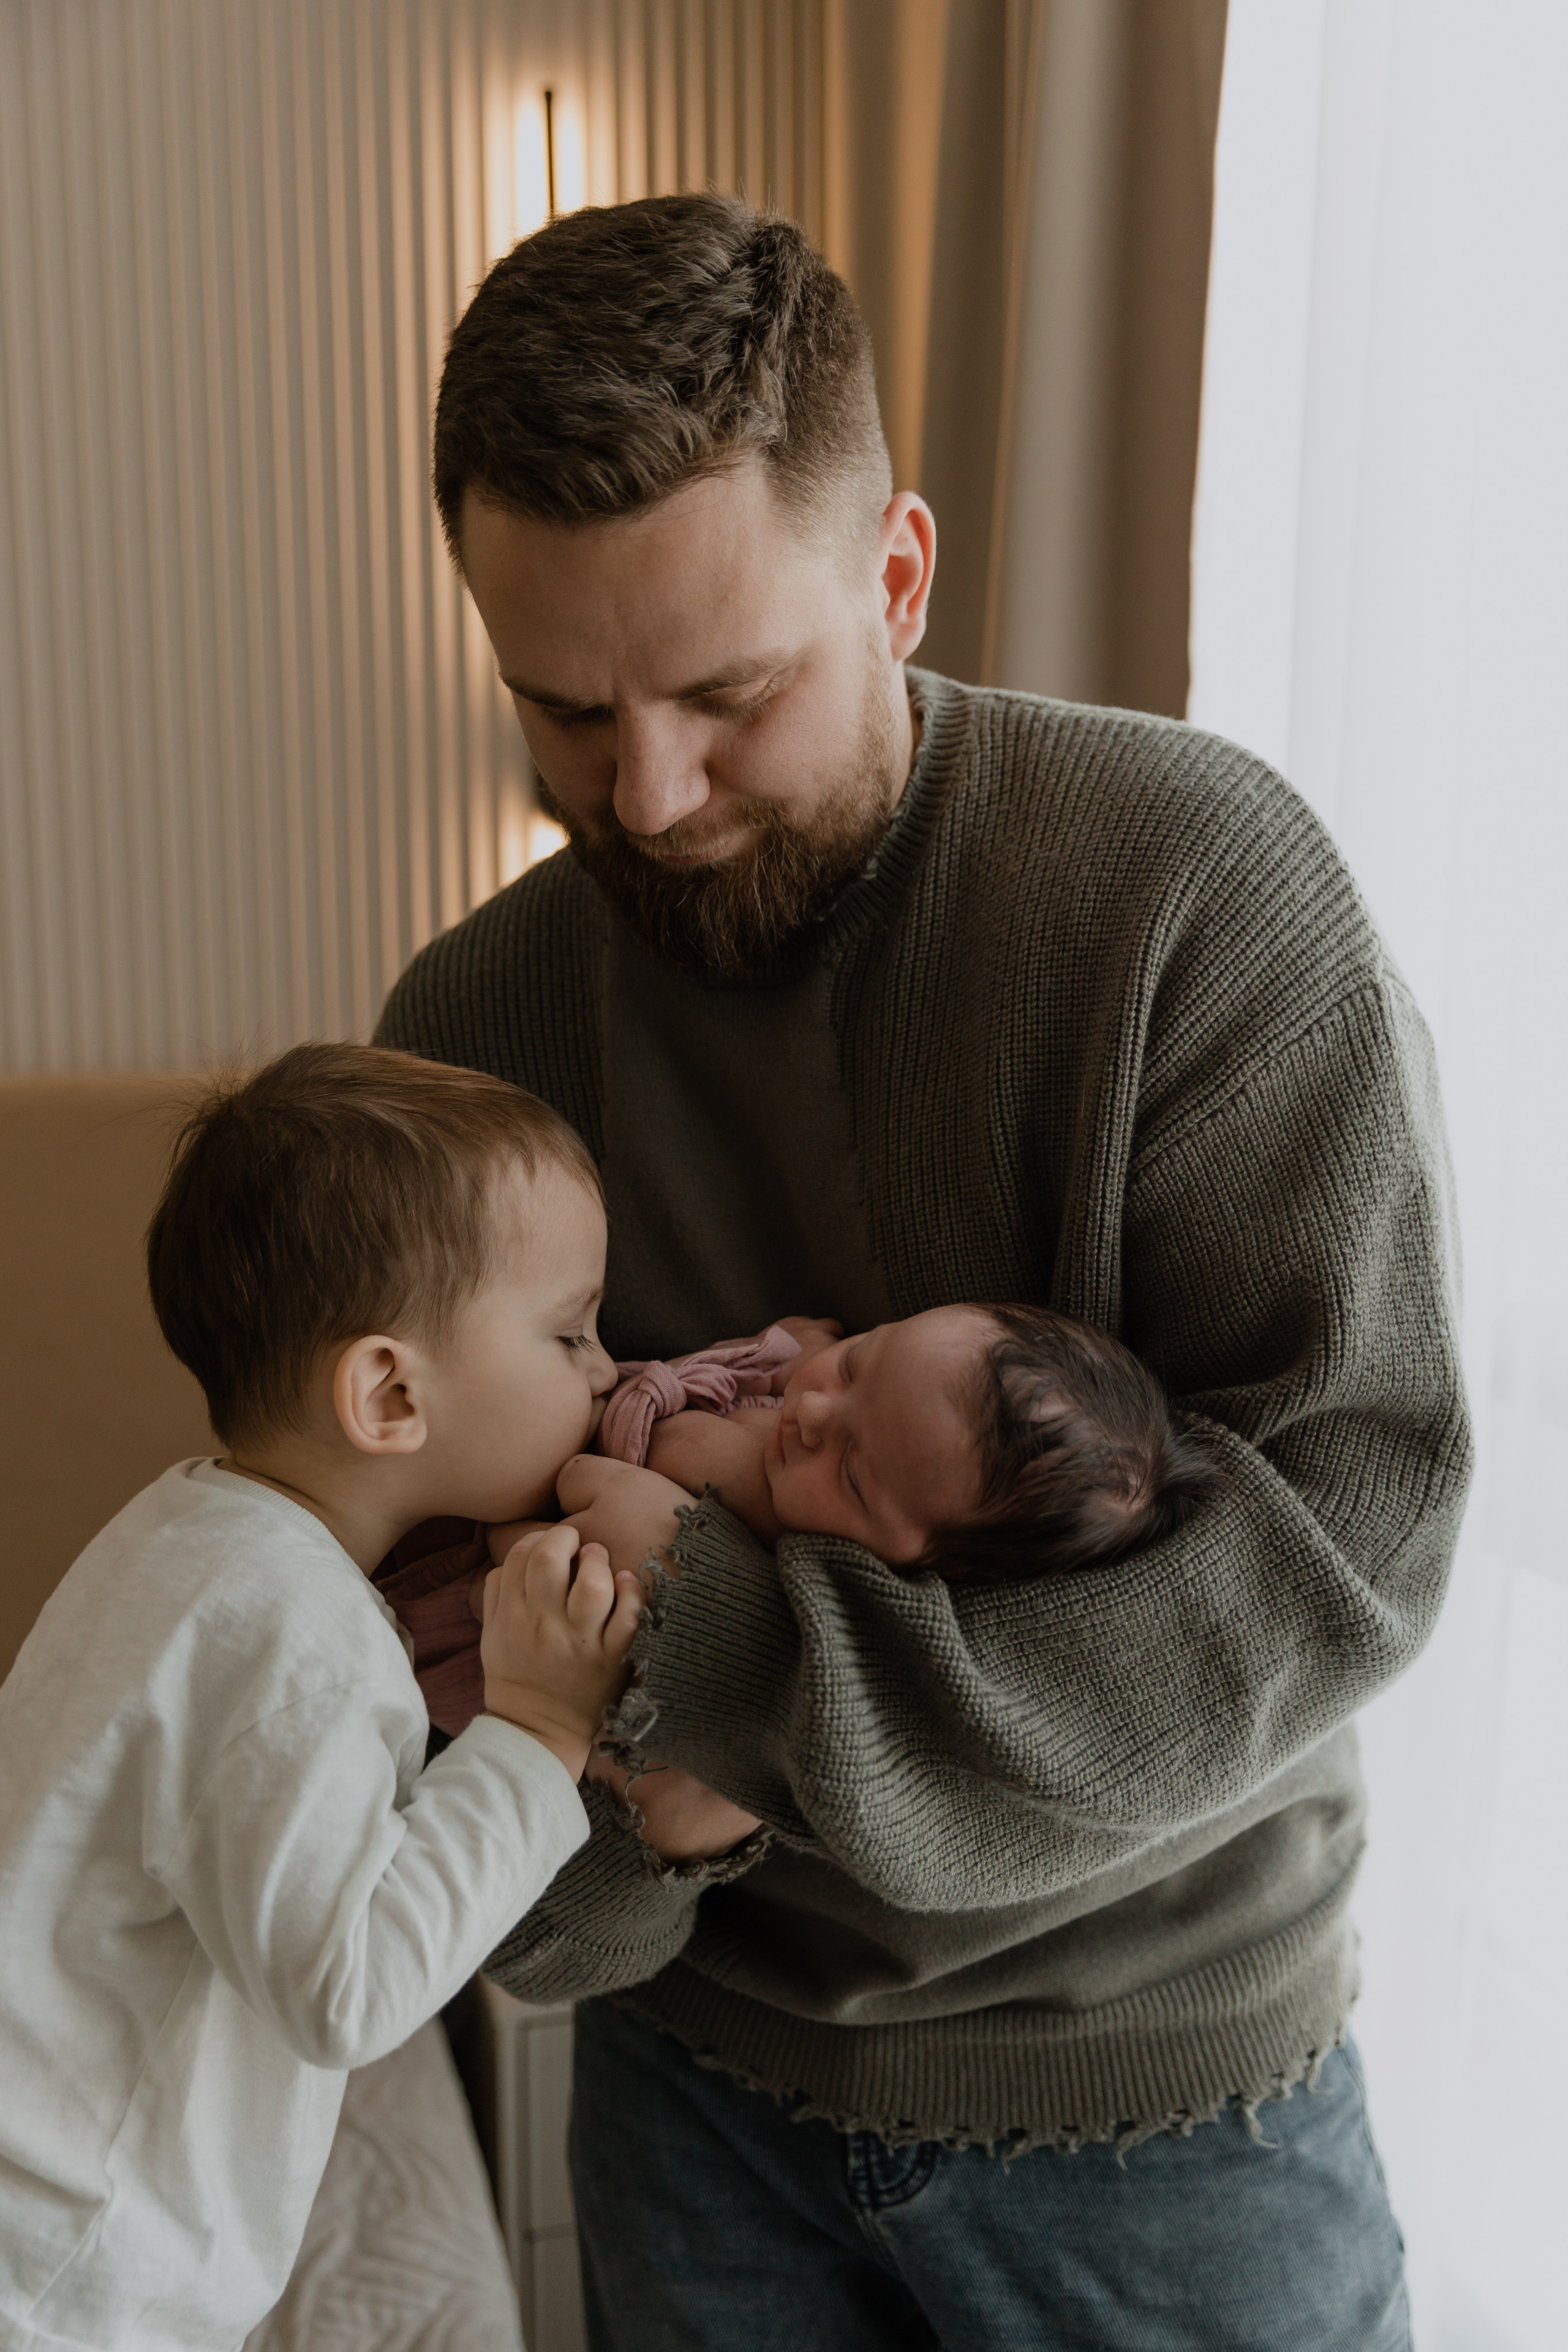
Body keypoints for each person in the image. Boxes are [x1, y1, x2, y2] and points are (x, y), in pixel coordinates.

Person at [375, 193, 1472, 2350]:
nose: (648, 794)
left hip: (1165, 2107)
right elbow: (422, 1654)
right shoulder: (467, 1030)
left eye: (728, 694)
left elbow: (1346, 1530)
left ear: (897, 577)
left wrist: (728, 1676)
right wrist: (628, 1852)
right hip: (689, 2104)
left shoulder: (1195, 886)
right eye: (563, 713)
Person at [0, 1043, 643, 2352]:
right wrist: (539, 1730)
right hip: (68, 2276)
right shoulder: (299, 1640)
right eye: (569, 1330)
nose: (608, 1372)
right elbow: (346, 1987)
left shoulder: (181, 1531)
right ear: (390, 1394)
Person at [390, 1304, 1220, 1741]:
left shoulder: (767, 1556)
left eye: (854, 1470)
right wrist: (786, 1347)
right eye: (860, 1360)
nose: (814, 1410)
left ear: (920, 1567)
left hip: (477, 1617)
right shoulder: (809, 1407)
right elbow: (779, 1373)